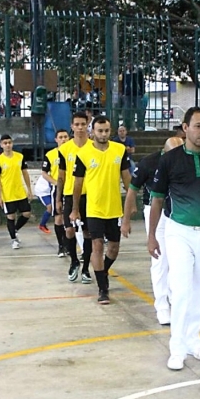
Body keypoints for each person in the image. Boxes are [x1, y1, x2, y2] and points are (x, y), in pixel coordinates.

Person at [148, 107, 200, 370]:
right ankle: (177, 348)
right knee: (181, 290)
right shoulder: (169, 160)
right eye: (198, 126)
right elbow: (157, 199)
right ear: (185, 128)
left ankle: (194, 340)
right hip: (178, 231)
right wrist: (151, 236)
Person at [121, 136, 184, 325]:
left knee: (178, 258)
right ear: (165, 152)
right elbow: (132, 190)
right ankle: (162, 305)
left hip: (179, 211)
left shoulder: (185, 160)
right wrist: (126, 220)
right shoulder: (149, 163)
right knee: (160, 259)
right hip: (156, 212)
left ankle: (175, 297)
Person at [71, 117, 131, 305]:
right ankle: (102, 288)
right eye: (99, 131)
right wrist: (75, 209)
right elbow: (78, 184)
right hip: (94, 209)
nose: (103, 134)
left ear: (110, 131)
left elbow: (127, 178)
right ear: (93, 132)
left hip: (114, 209)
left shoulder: (120, 151)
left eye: (106, 130)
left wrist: (130, 205)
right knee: (97, 246)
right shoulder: (84, 154)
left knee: (113, 248)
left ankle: (102, 271)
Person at [56, 111, 93, 284]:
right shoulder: (64, 149)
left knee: (88, 232)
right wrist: (58, 198)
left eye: (82, 124)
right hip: (70, 194)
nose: (79, 128)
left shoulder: (94, 147)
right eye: (76, 124)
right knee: (69, 230)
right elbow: (61, 176)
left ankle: (86, 269)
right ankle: (74, 262)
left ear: (87, 125)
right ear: (72, 126)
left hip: (90, 194)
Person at [0, 134, 33, 249]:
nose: (8, 145)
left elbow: (25, 173)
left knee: (26, 213)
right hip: (8, 194)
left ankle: (15, 229)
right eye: (5, 143)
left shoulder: (19, 157)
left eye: (9, 142)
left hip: (20, 192)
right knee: (11, 217)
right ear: (1, 145)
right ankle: (14, 239)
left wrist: (29, 189)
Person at [37, 129, 70, 254]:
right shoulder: (50, 155)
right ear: (56, 139)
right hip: (58, 189)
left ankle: (70, 245)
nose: (63, 139)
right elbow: (44, 173)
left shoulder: (74, 152)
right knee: (59, 217)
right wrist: (56, 182)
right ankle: (61, 246)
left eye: (65, 137)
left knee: (71, 219)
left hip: (72, 188)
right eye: (60, 137)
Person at [121, 62, 144, 130]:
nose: (129, 66)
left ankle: (140, 125)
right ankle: (127, 125)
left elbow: (141, 82)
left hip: (136, 93)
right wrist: (123, 92)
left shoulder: (138, 72)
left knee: (139, 109)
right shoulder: (125, 72)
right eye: (127, 65)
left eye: (130, 64)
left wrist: (142, 92)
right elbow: (123, 83)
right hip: (128, 93)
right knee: (127, 110)